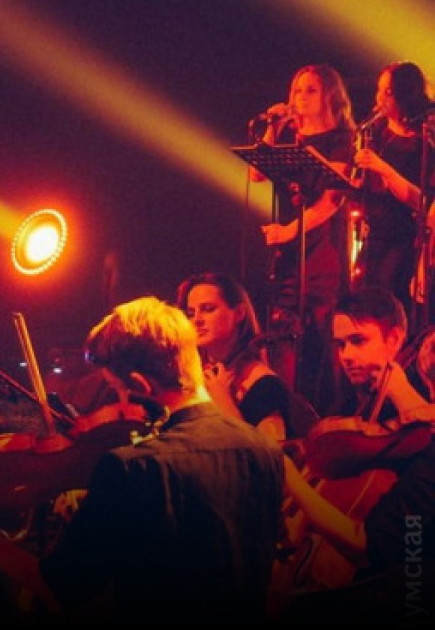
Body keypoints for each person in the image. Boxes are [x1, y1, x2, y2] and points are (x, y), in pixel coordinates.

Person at [0, 297, 285, 625]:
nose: (122, 403)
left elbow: (57, 587)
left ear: (140, 384)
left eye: (119, 391)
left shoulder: (134, 466)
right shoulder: (263, 450)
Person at [277, 285, 435, 625]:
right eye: (340, 344)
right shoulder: (355, 404)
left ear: (395, 339)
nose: (346, 355)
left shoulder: (420, 436)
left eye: (358, 340)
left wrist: (293, 482)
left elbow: (369, 547)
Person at [254, 64, 356, 415]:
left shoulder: (342, 139)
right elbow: (256, 174)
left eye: (311, 90)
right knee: (284, 331)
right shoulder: (291, 139)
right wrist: (273, 128)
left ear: (330, 95)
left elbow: (331, 200)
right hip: (289, 251)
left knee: (320, 331)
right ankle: (285, 412)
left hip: (322, 245)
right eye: (297, 90)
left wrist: (288, 232)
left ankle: (327, 412)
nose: (301, 97)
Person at [177, 272, 314, 441]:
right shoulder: (195, 374)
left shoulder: (264, 384)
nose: (197, 320)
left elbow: (269, 453)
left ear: (239, 314)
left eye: (208, 309)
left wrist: (226, 405)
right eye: (191, 313)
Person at [352, 61, 434, 316]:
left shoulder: (424, 138)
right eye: (379, 90)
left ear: (405, 93)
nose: (380, 98)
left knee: (394, 304)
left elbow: (424, 202)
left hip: (407, 238)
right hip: (376, 234)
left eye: (387, 91)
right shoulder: (377, 132)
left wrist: (383, 168)